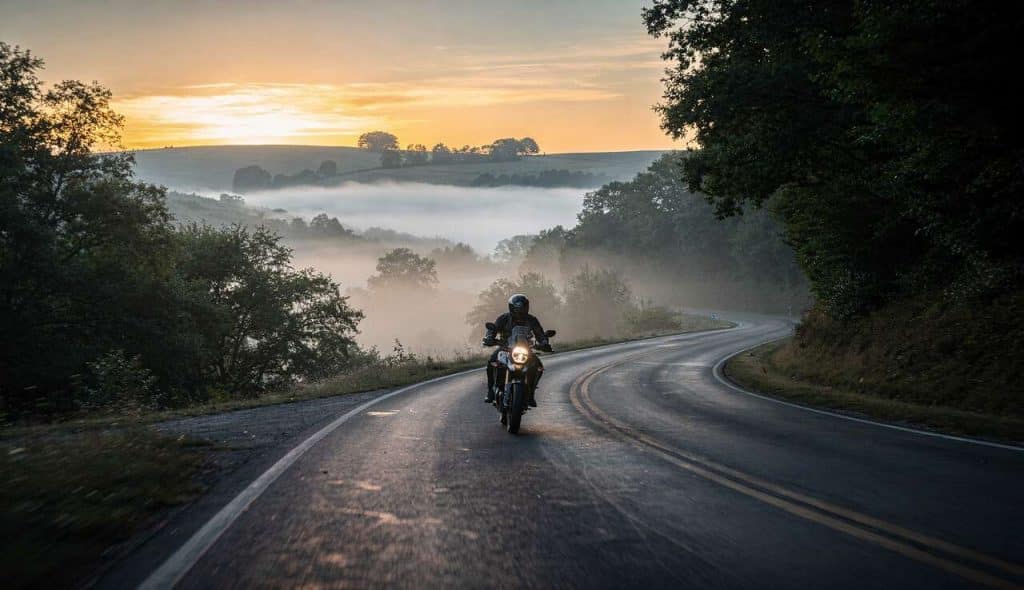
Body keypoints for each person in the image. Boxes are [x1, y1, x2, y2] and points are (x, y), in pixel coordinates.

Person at [483, 293, 551, 407]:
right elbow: (493, 330)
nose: (520, 311)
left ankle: (531, 393)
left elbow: (539, 334)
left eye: (523, 307)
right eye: (518, 308)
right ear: (512, 308)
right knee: (492, 361)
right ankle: (490, 391)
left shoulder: (532, 320)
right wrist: (489, 338)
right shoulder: (504, 318)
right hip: (506, 348)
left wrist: (544, 343)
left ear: (527, 307)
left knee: (538, 366)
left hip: (525, 349)